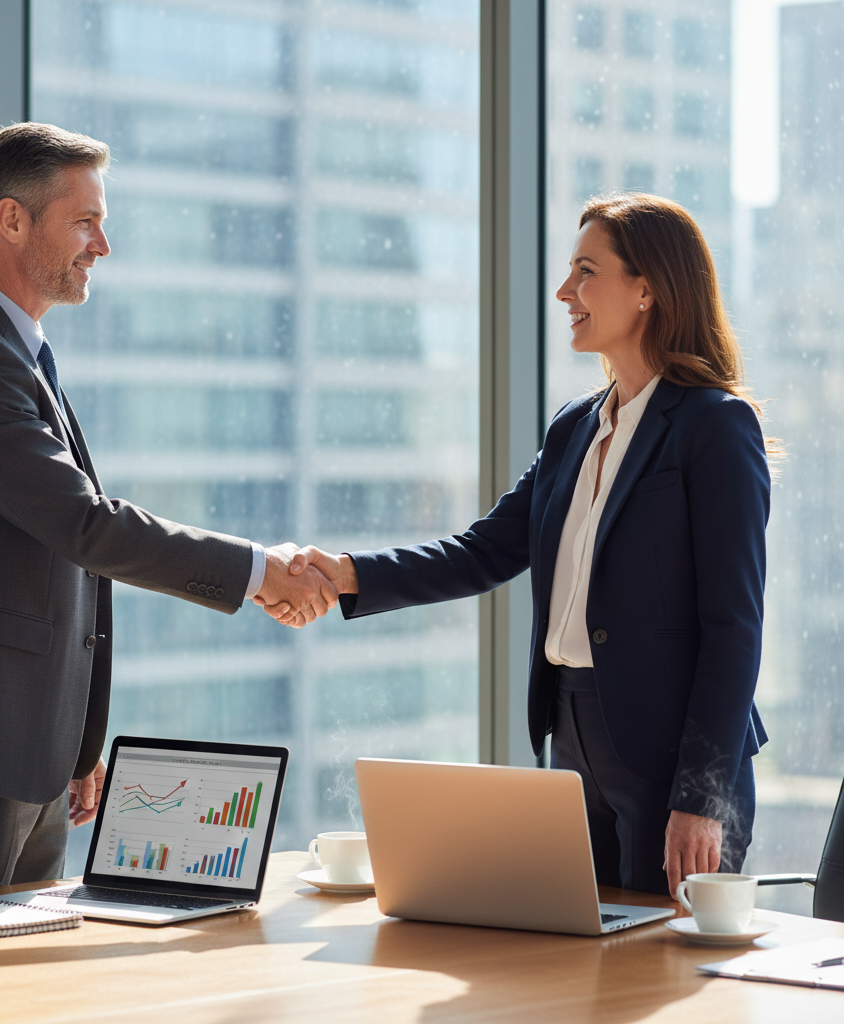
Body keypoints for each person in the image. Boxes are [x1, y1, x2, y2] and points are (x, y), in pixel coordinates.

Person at [0, 122, 336, 899]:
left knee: (23, 992)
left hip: (22, 746)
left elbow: (53, 560)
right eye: (85, 221)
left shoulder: (14, 352)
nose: (102, 246)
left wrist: (77, 745)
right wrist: (258, 571)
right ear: (12, 219)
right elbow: (84, 524)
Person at [263, 194, 773, 898]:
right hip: (572, 737)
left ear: (647, 288)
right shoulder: (575, 427)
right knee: (575, 964)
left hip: (671, 757)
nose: (565, 291)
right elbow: (484, 551)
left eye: (585, 271)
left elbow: (734, 628)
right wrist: (346, 573)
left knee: (661, 986)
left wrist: (703, 795)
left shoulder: (715, 426)